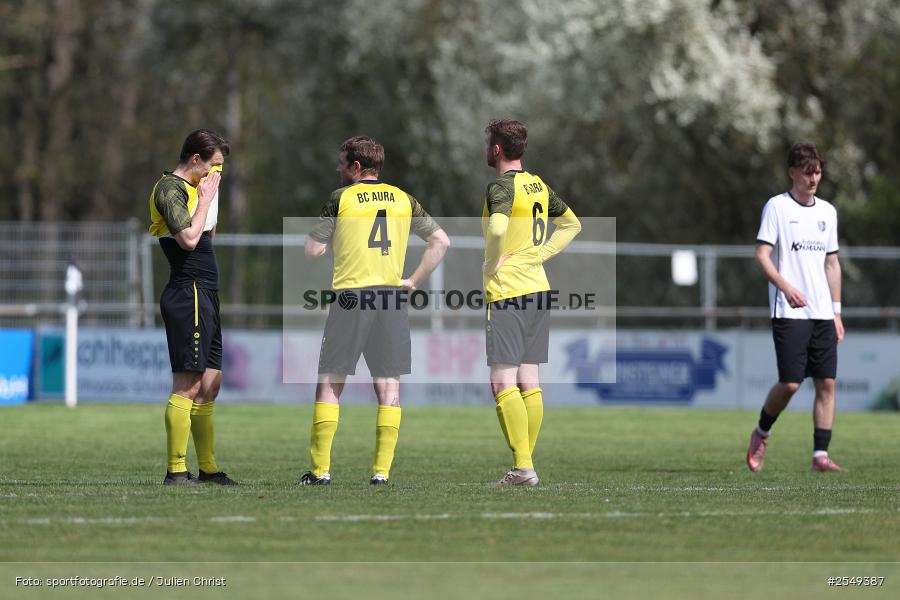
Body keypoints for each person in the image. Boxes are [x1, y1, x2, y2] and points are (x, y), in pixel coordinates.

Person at [300, 136, 450, 486]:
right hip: (390, 299)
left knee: (330, 384)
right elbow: (441, 241)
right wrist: (412, 280)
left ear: (355, 167)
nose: (338, 168)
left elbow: (312, 251)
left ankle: (320, 472)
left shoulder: (341, 198)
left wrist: (328, 239)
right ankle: (381, 473)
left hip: (352, 297)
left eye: (341, 163)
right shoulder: (403, 198)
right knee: (389, 388)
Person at [481, 118, 581, 486]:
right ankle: (524, 464)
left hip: (508, 291)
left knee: (501, 381)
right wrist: (539, 256)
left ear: (496, 149)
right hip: (538, 289)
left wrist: (492, 262)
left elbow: (496, 228)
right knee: (530, 379)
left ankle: (523, 467)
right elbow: (572, 225)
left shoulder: (501, 187)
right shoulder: (539, 186)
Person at [747, 142, 845, 473]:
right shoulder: (777, 208)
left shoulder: (827, 212)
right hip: (789, 311)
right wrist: (786, 287)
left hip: (821, 313)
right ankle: (761, 431)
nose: (813, 178)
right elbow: (762, 255)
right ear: (792, 173)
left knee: (826, 383)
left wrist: (836, 311)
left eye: (817, 172)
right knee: (791, 382)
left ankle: (820, 455)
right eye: (807, 172)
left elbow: (832, 264)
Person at [149, 129, 237, 485]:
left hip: (208, 293)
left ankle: (210, 469)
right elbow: (187, 241)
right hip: (189, 293)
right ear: (195, 159)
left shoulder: (201, 189)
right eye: (214, 164)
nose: (218, 173)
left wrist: (208, 201)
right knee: (187, 383)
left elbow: (206, 236)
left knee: (210, 384)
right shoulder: (169, 188)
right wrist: (203, 200)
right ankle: (175, 470)